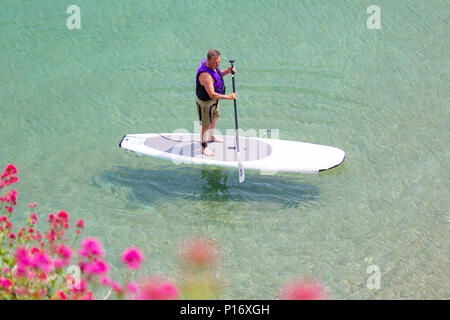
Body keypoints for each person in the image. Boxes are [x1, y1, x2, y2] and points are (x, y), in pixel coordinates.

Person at [195, 49, 237, 156]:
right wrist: (229, 97)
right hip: (206, 102)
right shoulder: (206, 76)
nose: (217, 64)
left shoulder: (213, 67)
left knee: (216, 116)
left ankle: (211, 136)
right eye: (215, 62)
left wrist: (227, 71)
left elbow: (217, 76)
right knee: (206, 124)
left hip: (214, 101)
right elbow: (212, 94)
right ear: (208, 61)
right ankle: (203, 147)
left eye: (218, 62)